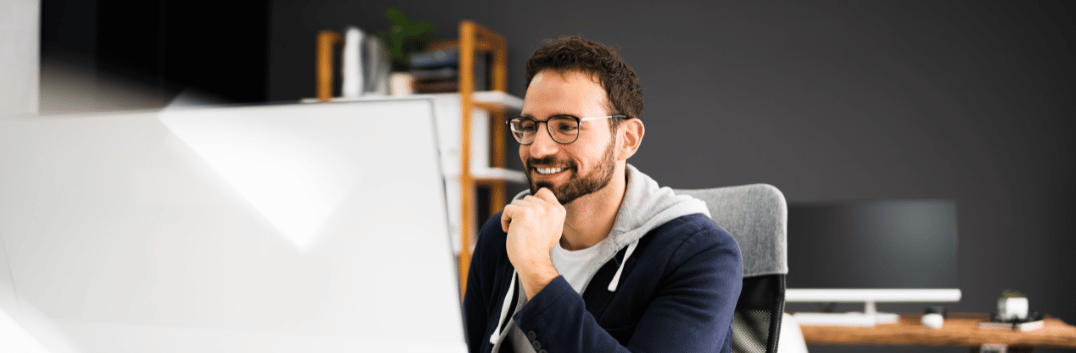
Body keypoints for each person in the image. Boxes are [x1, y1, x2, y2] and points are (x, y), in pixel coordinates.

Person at [463, 36, 742, 353]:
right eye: (529, 126)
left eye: (566, 126)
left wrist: (537, 270)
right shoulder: (501, 235)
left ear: (628, 139)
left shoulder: (701, 254)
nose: (538, 148)